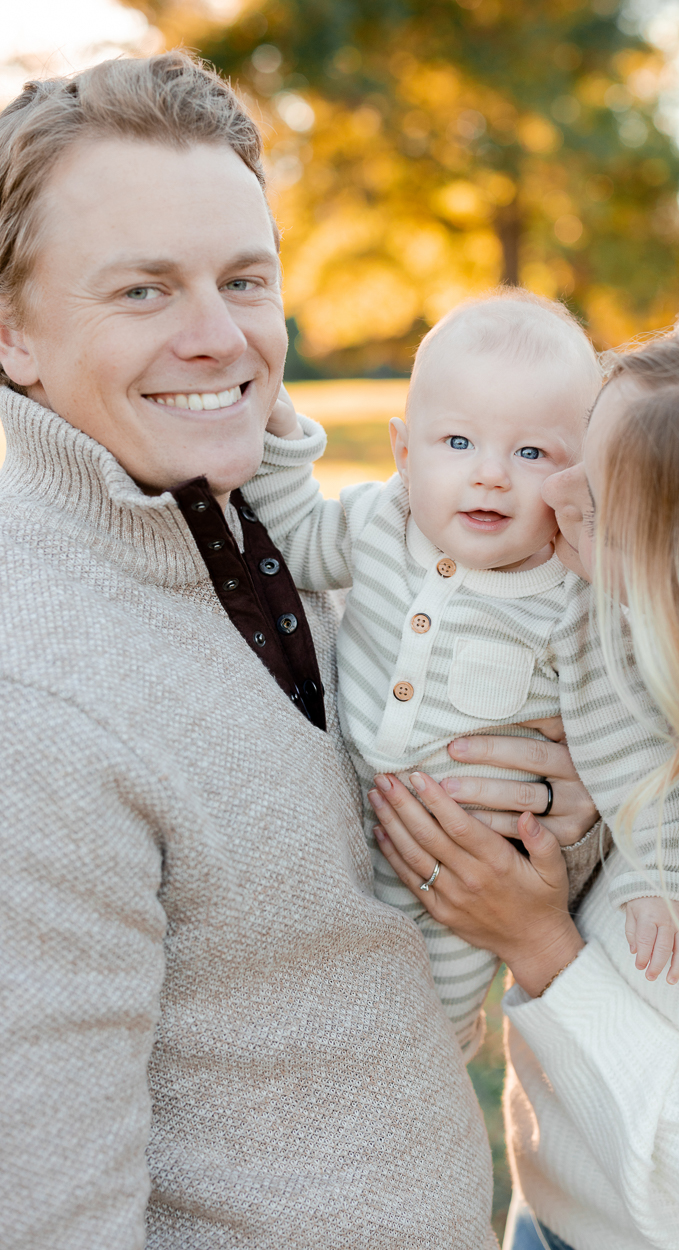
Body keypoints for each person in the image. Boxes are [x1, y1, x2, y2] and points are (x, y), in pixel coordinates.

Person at [0, 53, 499, 1248]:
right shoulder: (36, 695)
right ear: (12, 333)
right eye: (143, 292)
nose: (219, 338)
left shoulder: (257, 529)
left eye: (243, 278)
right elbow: (49, 1206)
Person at [369, 312, 679, 1250]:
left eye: (595, 477)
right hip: (547, 1215)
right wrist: (580, 827)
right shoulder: (670, 673)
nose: (550, 483)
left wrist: (539, 945)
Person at [243, 290, 679, 1054]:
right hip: (340, 833)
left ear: (575, 477)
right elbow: (293, 536)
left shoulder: (572, 603)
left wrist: (662, 879)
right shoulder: (378, 523)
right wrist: (282, 432)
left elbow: (632, 745)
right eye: (456, 442)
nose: (490, 476)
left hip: (470, 872)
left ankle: (442, 1060)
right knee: (310, 993)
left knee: (428, 1036)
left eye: (530, 453)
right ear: (402, 451)